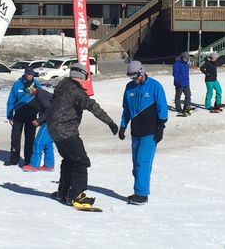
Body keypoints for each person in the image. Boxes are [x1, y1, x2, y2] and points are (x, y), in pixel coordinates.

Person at [47, 63, 119, 210]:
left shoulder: (62, 85)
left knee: (69, 160)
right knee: (81, 161)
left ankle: (64, 192)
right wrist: (110, 122)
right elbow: (92, 106)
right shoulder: (76, 92)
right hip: (66, 131)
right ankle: (77, 196)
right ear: (82, 76)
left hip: (53, 130)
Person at [119, 61, 168, 205]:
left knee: (143, 162)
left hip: (150, 132)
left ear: (142, 71)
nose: (134, 80)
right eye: (131, 77)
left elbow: (162, 108)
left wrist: (160, 128)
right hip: (136, 132)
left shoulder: (154, 86)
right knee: (135, 164)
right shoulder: (129, 88)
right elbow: (126, 109)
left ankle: (141, 194)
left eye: (135, 76)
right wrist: (123, 126)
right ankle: (139, 191)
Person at [6, 67, 42, 167]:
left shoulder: (37, 85)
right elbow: (11, 100)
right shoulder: (17, 84)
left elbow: (42, 99)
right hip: (19, 114)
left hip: (31, 114)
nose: (30, 76)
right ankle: (14, 159)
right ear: (25, 74)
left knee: (30, 138)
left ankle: (28, 160)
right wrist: (9, 115)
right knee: (15, 137)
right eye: (29, 74)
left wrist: (41, 117)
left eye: (32, 74)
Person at [26, 88, 56, 172]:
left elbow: (49, 110)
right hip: (54, 121)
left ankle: (34, 165)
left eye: (28, 90)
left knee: (38, 142)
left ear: (32, 88)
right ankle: (49, 165)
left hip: (50, 121)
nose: (28, 93)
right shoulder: (42, 93)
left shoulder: (40, 94)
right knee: (48, 143)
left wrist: (39, 120)